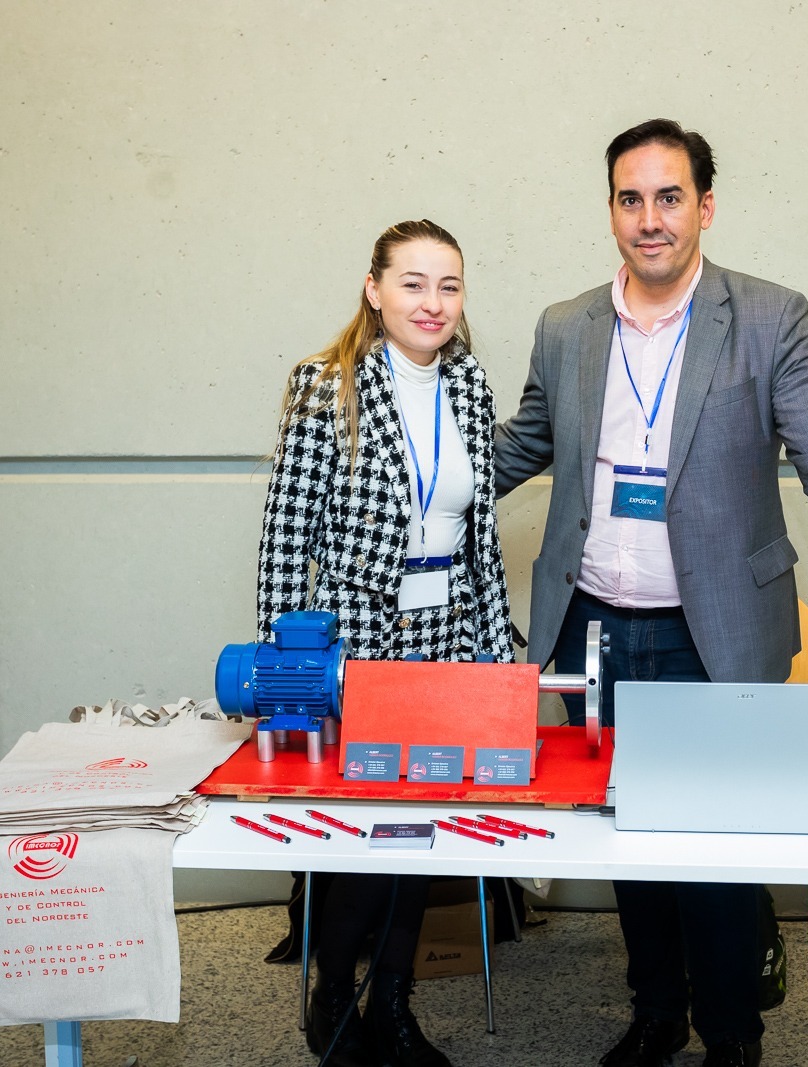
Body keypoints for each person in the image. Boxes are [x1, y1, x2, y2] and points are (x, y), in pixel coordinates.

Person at [493, 120, 808, 1067]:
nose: (651, 218)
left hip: (709, 631)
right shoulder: (565, 326)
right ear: (612, 211)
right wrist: (409, 483)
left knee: (712, 854)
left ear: (705, 207)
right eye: (631, 199)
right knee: (629, 840)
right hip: (590, 626)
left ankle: (732, 1037)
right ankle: (656, 1013)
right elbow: (524, 443)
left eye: (670, 197)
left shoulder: (769, 316)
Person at [257, 219, 513, 1067]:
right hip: (358, 642)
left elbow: (480, 541)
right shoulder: (326, 385)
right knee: (364, 833)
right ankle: (335, 994)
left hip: (447, 635)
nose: (432, 302)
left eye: (449, 285)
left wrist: (494, 659)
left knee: (423, 831)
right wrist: (286, 675)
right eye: (413, 282)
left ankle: (394, 1002)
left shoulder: (468, 383)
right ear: (374, 289)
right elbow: (287, 539)